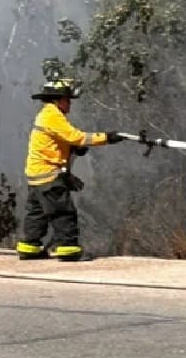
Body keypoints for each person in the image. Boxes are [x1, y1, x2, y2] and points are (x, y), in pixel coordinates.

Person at [15, 78, 125, 262]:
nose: (70, 104)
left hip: (36, 175)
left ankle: (30, 247)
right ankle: (68, 249)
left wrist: (72, 149)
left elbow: (56, 141)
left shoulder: (46, 114)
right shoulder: (52, 115)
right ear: (57, 100)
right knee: (63, 212)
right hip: (49, 176)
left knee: (37, 213)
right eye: (67, 99)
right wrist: (107, 137)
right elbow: (76, 137)